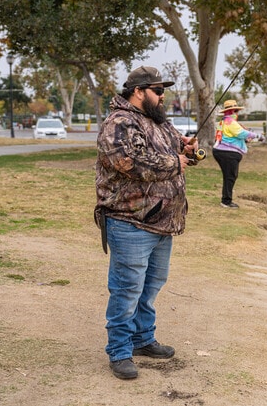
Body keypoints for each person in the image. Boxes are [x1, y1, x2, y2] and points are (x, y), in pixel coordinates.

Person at [95, 66, 198, 380]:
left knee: (151, 287)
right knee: (127, 290)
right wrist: (174, 162)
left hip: (163, 222)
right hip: (130, 222)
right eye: (157, 90)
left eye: (163, 89)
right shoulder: (118, 123)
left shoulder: (159, 121)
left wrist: (186, 149)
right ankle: (120, 351)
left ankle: (143, 339)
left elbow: (171, 148)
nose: (162, 95)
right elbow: (129, 162)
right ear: (138, 91)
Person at [212, 99, 260, 209]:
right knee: (230, 176)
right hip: (228, 153)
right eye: (236, 111)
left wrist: (246, 140)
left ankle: (226, 199)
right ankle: (226, 201)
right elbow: (241, 133)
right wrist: (256, 135)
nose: (236, 114)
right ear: (232, 111)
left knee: (229, 176)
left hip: (220, 151)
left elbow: (225, 136)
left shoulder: (222, 122)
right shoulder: (230, 122)